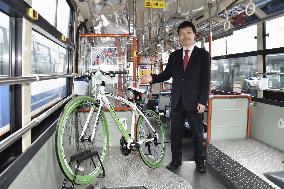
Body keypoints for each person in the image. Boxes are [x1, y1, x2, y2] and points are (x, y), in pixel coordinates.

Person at [140, 21, 210, 173]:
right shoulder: (174, 56)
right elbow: (166, 75)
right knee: (175, 134)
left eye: (188, 33)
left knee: (197, 134)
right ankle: (176, 160)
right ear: (179, 37)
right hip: (177, 100)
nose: (185, 36)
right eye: (182, 34)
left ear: (194, 35)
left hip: (195, 102)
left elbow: (206, 80)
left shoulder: (204, 55)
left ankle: (199, 161)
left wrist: (203, 101)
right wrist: (152, 78)